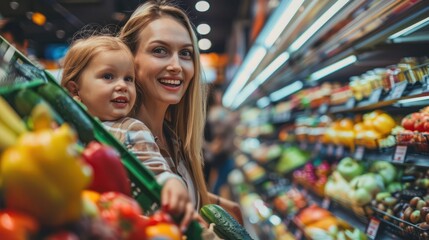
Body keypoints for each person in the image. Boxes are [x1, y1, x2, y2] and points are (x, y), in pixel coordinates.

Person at [119, 0, 243, 224]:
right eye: (159, 50)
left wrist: (216, 203)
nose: (176, 65)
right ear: (129, 59)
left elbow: (177, 194)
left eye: (185, 53)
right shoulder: (123, 140)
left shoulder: (173, 138)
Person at [60, 35, 195, 231]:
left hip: (122, 224)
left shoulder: (130, 128)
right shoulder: (63, 128)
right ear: (75, 88)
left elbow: (156, 170)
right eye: (108, 76)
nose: (123, 86)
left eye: (129, 79)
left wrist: (172, 183)